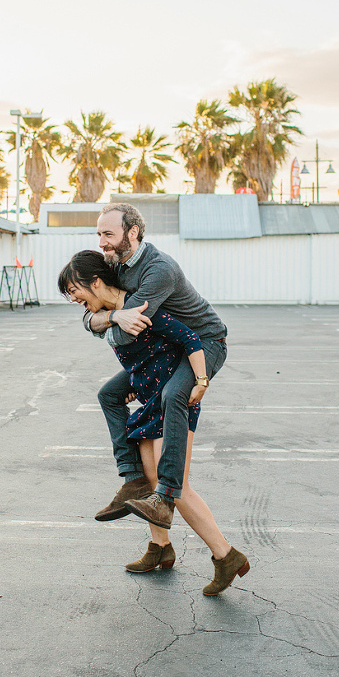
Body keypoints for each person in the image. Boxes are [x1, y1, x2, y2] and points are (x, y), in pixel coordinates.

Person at [60, 250, 250, 595]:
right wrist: (133, 379)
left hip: (171, 397)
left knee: (175, 487)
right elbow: (131, 346)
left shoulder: (142, 305)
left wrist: (201, 380)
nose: (74, 298)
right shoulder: (108, 315)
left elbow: (189, 339)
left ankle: (226, 555)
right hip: (150, 394)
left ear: (96, 282)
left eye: (75, 290)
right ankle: (160, 548)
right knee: (150, 481)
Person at [83, 203, 229, 534]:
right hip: (170, 347)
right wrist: (109, 316)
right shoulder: (114, 265)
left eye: (108, 234)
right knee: (109, 395)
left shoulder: (158, 269)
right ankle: (133, 479)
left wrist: (110, 318)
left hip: (204, 343)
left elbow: (127, 330)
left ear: (131, 233)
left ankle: (165, 496)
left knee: (174, 393)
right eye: (99, 234)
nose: (102, 242)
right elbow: (90, 315)